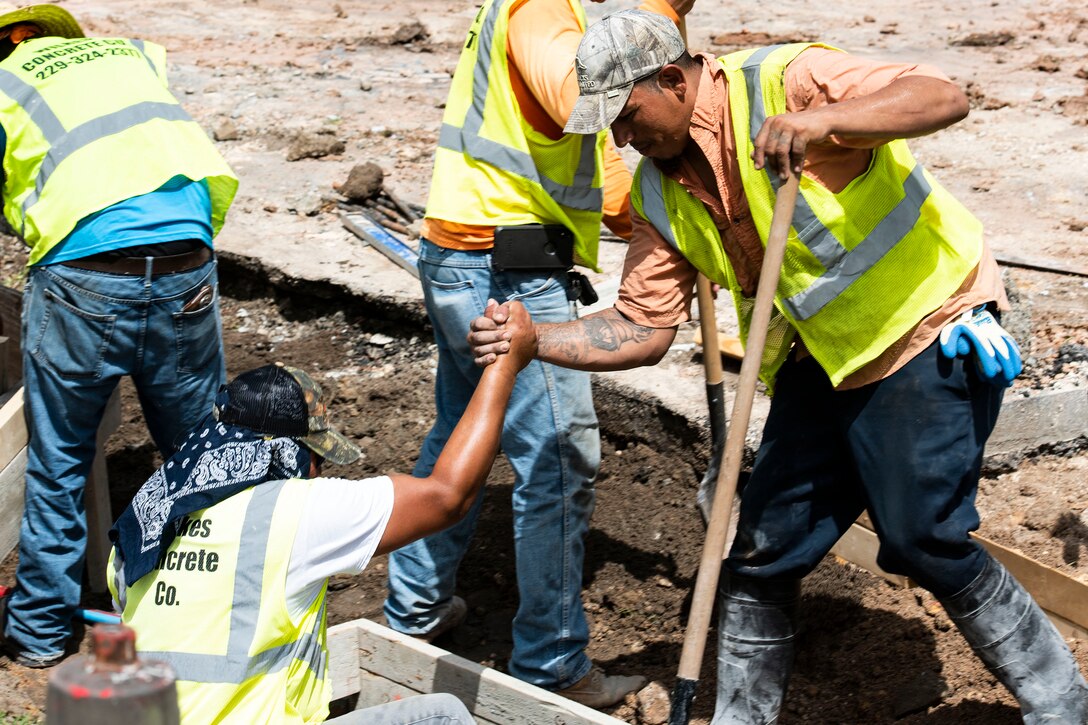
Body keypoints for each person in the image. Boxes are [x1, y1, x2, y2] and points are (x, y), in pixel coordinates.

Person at [468, 9, 1088, 723]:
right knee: (762, 550)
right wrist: (534, 339)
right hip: (819, 357)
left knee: (923, 536)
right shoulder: (658, 190)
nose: (622, 139)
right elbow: (640, 326)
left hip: (923, 324)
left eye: (629, 116)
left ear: (671, 78)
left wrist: (831, 122)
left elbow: (943, 94)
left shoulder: (787, 80)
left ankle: (1063, 703)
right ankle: (740, 716)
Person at [382, 0, 692, 708]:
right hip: (504, 269)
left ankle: (413, 613)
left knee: (462, 432)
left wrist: (646, 212)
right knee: (558, 455)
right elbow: (584, 103)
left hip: (470, 254)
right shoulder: (542, 11)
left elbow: (585, 140)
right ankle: (552, 663)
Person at [108, 308, 534, 724]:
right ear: (284, 452)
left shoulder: (145, 520)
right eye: (315, 456)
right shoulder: (289, 513)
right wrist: (504, 368)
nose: (319, 470)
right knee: (444, 715)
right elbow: (448, 496)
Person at [0, 3, 238, 668]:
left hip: (84, 276)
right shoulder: (129, 56)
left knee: (59, 461)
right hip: (187, 260)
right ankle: (211, 610)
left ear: (10, 41)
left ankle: (42, 634)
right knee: (201, 452)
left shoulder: (6, 84)